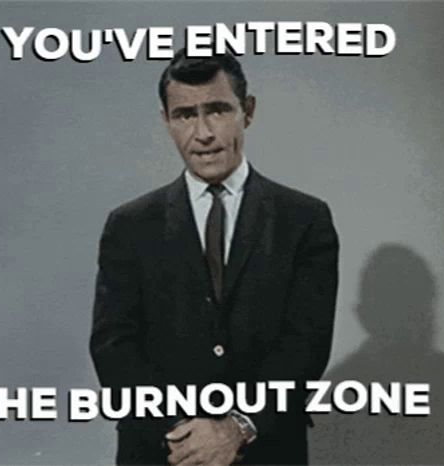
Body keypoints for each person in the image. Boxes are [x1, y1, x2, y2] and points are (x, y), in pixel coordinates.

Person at [90, 48, 339, 465]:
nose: (203, 133)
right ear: (167, 121)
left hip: (267, 453)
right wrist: (184, 437)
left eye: (218, 110)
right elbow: (114, 348)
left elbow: (305, 345)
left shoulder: (304, 219)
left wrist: (237, 429)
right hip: (160, 454)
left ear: (248, 111)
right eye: (185, 115)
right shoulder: (129, 226)